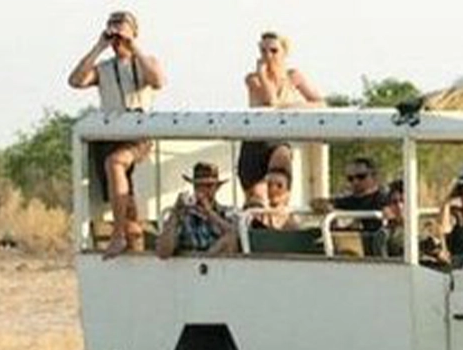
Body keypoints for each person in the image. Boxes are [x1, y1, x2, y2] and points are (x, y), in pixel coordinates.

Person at [67, 10, 165, 257]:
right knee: (130, 208)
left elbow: (158, 81)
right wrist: (99, 46)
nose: (117, 35)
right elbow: (76, 81)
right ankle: (129, 246)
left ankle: (118, 235)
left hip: (138, 137)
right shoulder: (104, 69)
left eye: (121, 28)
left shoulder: (146, 61)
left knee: (115, 163)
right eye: (112, 29)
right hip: (109, 138)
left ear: (134, 31)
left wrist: (134, 47)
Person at [237, 31, 323, 205]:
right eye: (263, 51)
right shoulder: (253, 79)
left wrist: (293, 107)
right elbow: (271, 102)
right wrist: (263, 74)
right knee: (256, 200)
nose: (268, 56)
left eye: (274, 51)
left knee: (279, 193)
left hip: (278, 140)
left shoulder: (294, 77)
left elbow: (320, 102)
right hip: (254, 141)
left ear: (284, 52)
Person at [156, 163, 239, 258]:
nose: (204, 190)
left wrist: (210, 214)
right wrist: (175, 213)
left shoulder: (227, 212)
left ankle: (204, 262)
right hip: (188, 268)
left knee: (229, 239)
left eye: (209, 186)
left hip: (219, 269)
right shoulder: (183, 216)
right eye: (200, 186)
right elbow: (163, 253)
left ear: (216, 188)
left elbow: (233, 237)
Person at [333, 157, 387, 233]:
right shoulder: (346, 202)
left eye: (361, 176)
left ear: (374, 176)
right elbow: (322, 204)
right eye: (350, 178)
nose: (355, 182)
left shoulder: (385, 200)